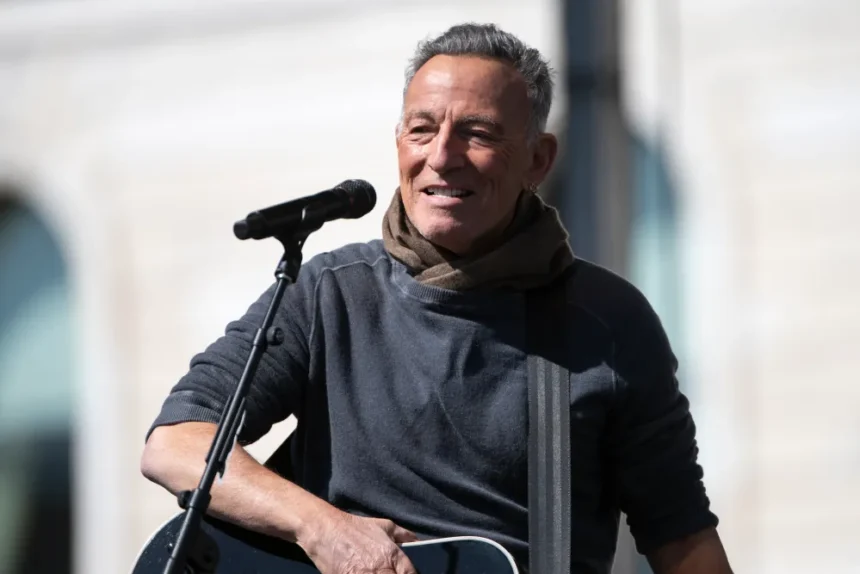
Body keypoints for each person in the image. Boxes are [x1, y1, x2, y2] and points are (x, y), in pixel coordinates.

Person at [141, 23, 733, 574]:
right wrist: (322, 528)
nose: (441, 156)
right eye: (422, 129)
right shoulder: (327, 293)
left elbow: (682, 540)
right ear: (398, 142)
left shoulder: (606, 323)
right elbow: (176, 444)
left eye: (477, 133)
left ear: (538, 160)